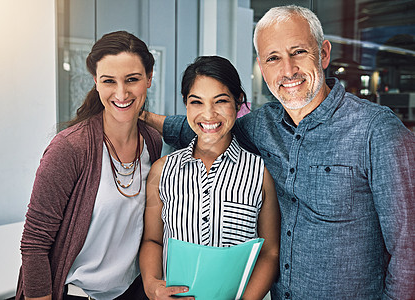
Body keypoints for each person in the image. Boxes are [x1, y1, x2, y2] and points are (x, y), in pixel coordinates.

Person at [141, 5, 415, 300]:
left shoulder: (377, 130)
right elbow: (210, 127)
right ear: (262, 65)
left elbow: (408, 247)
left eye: (298, 52)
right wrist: (139, 117)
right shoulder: (263, 124)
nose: (287, 70)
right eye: (273, 58)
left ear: (323, 54)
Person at [16, 31, 162, 300]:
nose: (121, 92)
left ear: (149, 78)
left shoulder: (152, 141)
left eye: (132, 79)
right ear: (96, 82)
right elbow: (34, 244)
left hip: (132, 290)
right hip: (77, 293)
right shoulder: (70, 148)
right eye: (109, 81)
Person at [139, 56, 280, 300]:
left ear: (238, 103)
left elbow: (270, 252)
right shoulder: (162, 170)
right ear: (185, 104)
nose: (209, 114)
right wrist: (152, 287)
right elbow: (152, 239)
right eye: (197, 102)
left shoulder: (260, 172)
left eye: (221, 101)